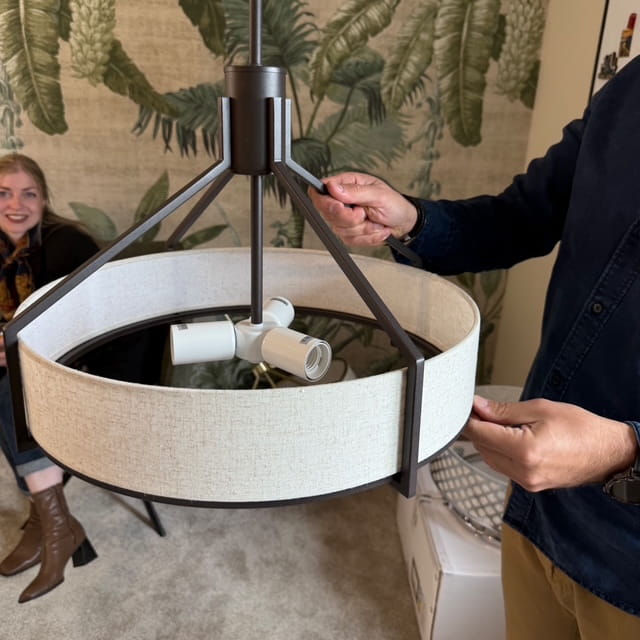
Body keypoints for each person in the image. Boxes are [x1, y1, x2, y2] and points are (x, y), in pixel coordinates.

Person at [308, 56, 640, 639]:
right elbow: (521, 217)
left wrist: (623, 451)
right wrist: (410, 219)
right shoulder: (629, 91)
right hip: (540, 510)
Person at [0, 153, 98, 603]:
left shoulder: (66, 244)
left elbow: (87, 318)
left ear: (44, 199)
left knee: (10, 387)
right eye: (4, 193)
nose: (15, 205)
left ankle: (55, 529)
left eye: (28, 194)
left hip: (75, 366)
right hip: (19, 362)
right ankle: (53, 522)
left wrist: (18, 344)